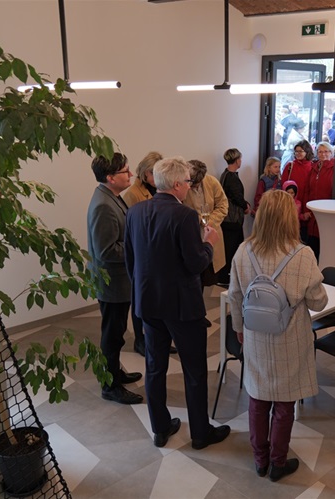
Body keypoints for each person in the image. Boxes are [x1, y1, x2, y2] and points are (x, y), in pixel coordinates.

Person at [125, 157, 231, 449]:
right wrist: (209, 243)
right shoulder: (184, 216)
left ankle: (160, 429)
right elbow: (195, 263)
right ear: (175, 184)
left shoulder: (135, 212)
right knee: (194, 370)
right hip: (182, 306)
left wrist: (142, 291)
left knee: (155, 366)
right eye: (187, 181)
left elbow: (130, 260)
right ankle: (200, 433)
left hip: (148, 302)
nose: (189, 186)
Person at [228, 189, 327, 482]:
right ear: (289, 218)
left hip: (255, 336)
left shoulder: (243, 250)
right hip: (290, 338)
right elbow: (318, 302)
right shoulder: (303, 254)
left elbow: (235, 295)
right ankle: (277, 463)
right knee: (284, 403)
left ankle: (260, 459)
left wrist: (238, 328)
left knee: (258, 398)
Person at [87, 153, 143, 405]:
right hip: (112, 283)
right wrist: (138, 246)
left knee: (117, 331)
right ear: (110, 177)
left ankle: (115, 372)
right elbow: (106, 251)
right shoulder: (103, 205)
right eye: (125, 171)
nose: (130, 175)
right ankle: (110, 386)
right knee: (112, 335)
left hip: (119, 280)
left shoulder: (111, 197)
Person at [120, 151, 178, 357]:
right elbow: (134, 229)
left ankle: (160, 339)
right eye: (155, 172)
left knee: (158, 303)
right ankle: (140, 340)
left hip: (158, 255)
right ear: (146, 173)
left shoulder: (157, 190)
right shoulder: (132, 194)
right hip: (144, 256)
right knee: (141, 301)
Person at [183, 159, 228, 290]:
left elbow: (223, 205)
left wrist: (210, 221)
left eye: (196, 184)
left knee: (208, 275)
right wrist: (196, 220)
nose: (193, 186)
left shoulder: (212, 182)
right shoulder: (182, 184)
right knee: (193, 276)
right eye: (191, 183)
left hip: (210, 232)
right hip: (191, 234)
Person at [217, 148, 250, 287]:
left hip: (226, 219)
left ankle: (224, 276)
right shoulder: (232, 178)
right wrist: (246, 206)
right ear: (237, 160)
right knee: (232, 248)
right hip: (232, 220)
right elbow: (237, 197)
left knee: (228, 247)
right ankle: (226, 277)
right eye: (240, 159)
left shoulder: (224, 175)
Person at [305, 142, 335, 261]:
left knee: (324, 245)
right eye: (320, 152)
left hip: (326, 213)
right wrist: (306, 209)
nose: (323, 154)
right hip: (312, 212)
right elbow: (307, 190)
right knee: (312, 246)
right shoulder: (313, 168)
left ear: (331, 153)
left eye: (326, 151)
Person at [280, 140, 314, 241]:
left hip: (306, 204)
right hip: (290, 204)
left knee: (303, 235)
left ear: (307, 152)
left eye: (301, 151)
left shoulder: (312, 167)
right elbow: (283, 187)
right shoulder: (290, 166)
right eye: (296, 151)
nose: (298, 153)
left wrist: (307, 210)